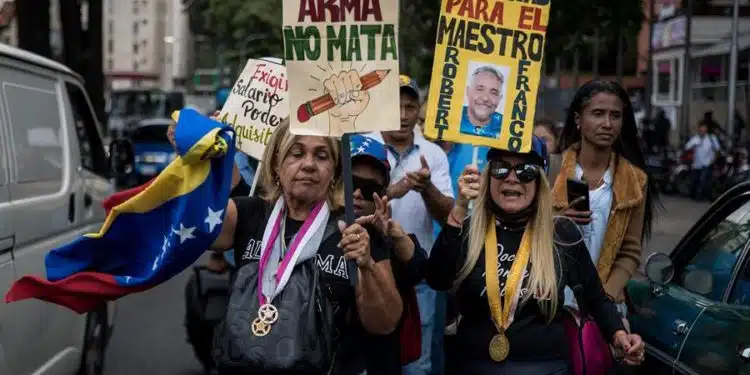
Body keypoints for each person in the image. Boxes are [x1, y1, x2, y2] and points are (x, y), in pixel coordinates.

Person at [426, 135, 644, 374]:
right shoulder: (468, 230)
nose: (512, 178)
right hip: (474, 365)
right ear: (488, 179)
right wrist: (459, 206)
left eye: (526, 171)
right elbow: (437, 278)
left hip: (545, 366)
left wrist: (620, 335)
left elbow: (595, 297)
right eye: (500, 168)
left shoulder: (562, 234)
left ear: (539, 183)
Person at [210, 119, 403, 373]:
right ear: (276, 163)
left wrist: (366, 266)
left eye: (322, 156)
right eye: (297, 153)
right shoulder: (248, 212)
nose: (309, 164)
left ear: (335, 170)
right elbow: (192, 231)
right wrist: (197, 155)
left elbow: (385, 323)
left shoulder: (358, 232)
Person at [365, 75, 454, 375]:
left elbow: (448, 216)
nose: (402, 115)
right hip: (371, 269)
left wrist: (426, 188)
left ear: (419, 109)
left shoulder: (434, 155)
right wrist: (394, 189)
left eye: (410, 106)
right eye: (394, 106)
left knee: (418, 365)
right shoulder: (361, 148)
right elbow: (344, 204)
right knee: (370, 362)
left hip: (420, 276)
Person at [553, 80, 658, 321]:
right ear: (579, 119)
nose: (607, 124)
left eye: (615, 116)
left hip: (604, 311)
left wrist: (605, 299)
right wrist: (556, 222)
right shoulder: (550, 171)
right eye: (598, 114)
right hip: (549, 305)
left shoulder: (635, 181)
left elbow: (630, 252)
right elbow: (524, 233)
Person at [349, 134, 428, 374]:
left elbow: (420, 270)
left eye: (369, 188)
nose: (357, 195)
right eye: (350, 183)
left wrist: (393, 238)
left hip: (379, 363)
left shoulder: (389, 237)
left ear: (382, 194)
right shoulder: (311, 231)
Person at [459, 66, 504, 139]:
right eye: (480, 89)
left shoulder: (507, 126)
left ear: (500, 98)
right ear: (468, 92)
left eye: (493, 93)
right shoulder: (450, 116)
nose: (485, 98)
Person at [684, 121, 720, 201]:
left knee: (703, 181)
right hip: (696, 164)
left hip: (707, 163)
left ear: (706, 130)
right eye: (701, 130)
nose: (702, 131)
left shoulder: (711, 138)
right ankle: (695, 195)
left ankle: (700, 197)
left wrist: (713, 160)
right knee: (695, 180)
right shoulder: (695, 138)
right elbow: (687, 147)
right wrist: (694, 145)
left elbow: (717, 149)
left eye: (704, 130)